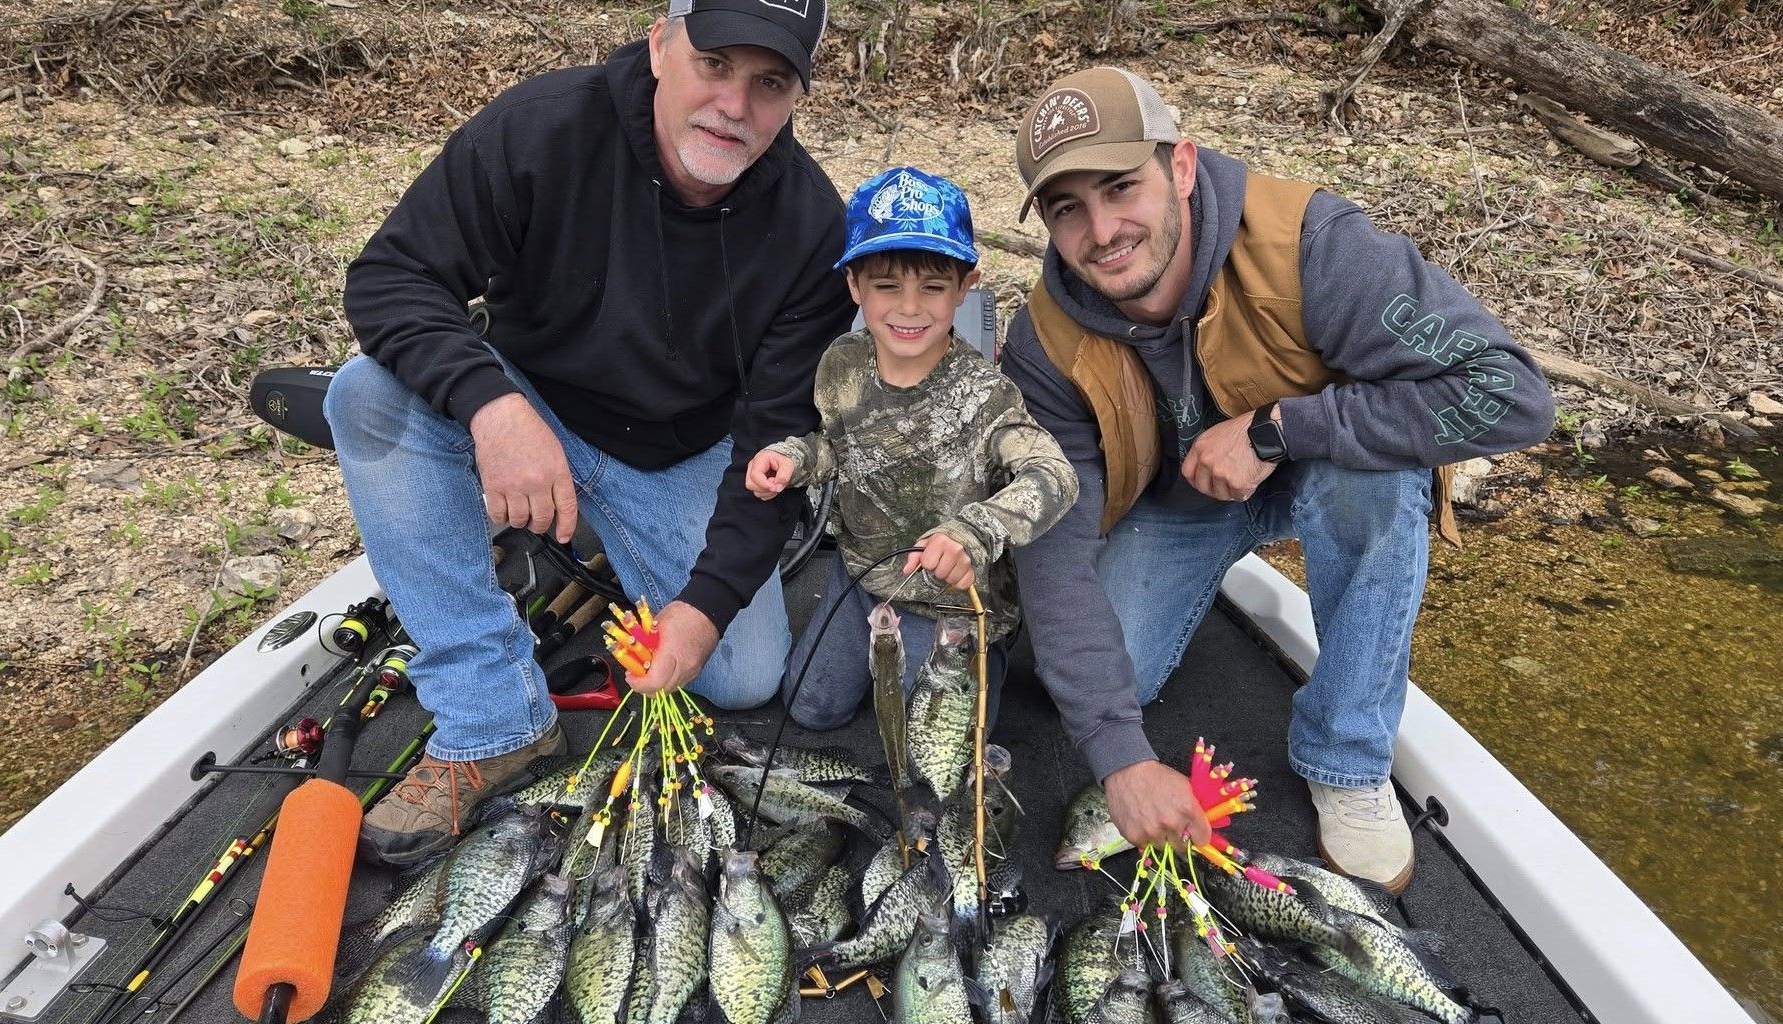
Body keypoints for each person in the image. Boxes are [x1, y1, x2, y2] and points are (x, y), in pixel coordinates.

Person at [325, 0, 856, 866]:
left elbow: (776, 447)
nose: (734, 105)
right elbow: (392, 277)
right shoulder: (543, 129)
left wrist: (703, 606)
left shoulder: (810, 231)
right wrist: (491, 406)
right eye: (716, 66)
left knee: (742, 675)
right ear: (660, 45)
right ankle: (495, 718)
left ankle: (601, 531)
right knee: (367, 394)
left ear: (796, 98)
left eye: (769, 84)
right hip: (531, 400)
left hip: (678, 451)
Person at [1003, 67, 1555, 891]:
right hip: (1181, 503)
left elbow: (1513, 396)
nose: (1103, 229)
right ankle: (1211, 570)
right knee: (1065, 676)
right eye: (1067, 208)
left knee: (1375, 480)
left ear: (1181, 167)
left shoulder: (1316, 246)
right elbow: (1054, 544)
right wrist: (1121, 757)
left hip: (1324, 471)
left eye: (1122, 187)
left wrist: (1281, 429)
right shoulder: (1043, 341)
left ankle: (1348, 758)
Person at [746, 166, 1077, 729]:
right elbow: (839, 446)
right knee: (809, 711)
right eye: (886, 286)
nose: (909, 308)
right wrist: (797, 459)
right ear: (854, 286)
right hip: (862, 582)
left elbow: (1055, 476)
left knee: (942, 759)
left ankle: (988, 655)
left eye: (932, 286)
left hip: (956, 610)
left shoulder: (986, 397)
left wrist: (973, 532)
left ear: (964, 285)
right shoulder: (841, 365)